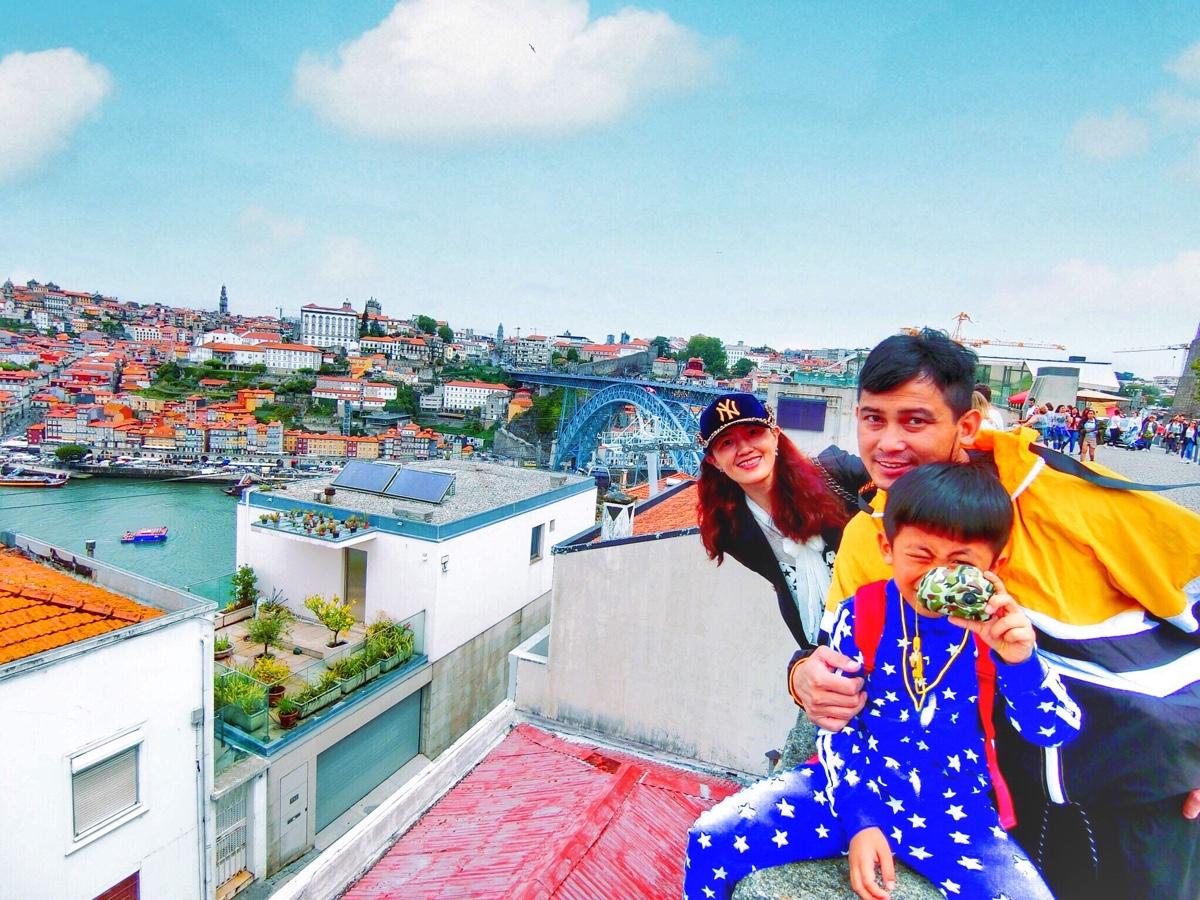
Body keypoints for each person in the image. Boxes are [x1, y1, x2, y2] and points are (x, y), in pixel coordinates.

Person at [789, 329, 1200, 900]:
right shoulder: (871, 535)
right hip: (1001, 800)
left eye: (915, 421)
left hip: (1140, 790)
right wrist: (801, 674)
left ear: (967, 426)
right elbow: (838, 654)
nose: (888, 443)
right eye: (873, 419)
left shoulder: (1066, 498)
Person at [684, 463, 1080, 900]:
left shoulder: (999, 629)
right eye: (921, 556)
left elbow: (1054, 730)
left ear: (996, 564)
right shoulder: (862, 614)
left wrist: (1022, 663)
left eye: (960, 564)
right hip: (850, 789)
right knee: (709, 838)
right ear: (887, 548)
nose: (937, 576)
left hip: (955, 812)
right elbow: (837, 727)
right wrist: (862, 820)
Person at [696, 392, 867, 649]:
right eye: (727, 442)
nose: (744, 449)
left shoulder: (839, 473)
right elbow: (780, 581)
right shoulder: (731, 532)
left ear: (775, 435)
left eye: (753, 432)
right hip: (824, 654)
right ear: (714, 461)